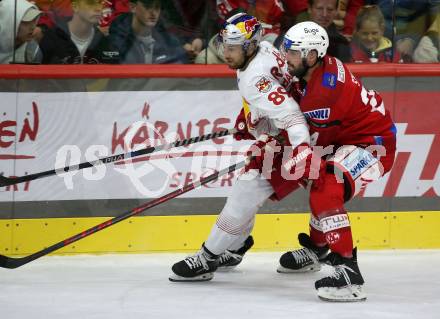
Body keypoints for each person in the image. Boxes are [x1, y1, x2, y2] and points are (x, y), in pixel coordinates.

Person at [170, 13, 319, 282]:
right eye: (224, 45)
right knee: (249, 186)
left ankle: (207, 258)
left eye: (232, 47)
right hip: (291, 130)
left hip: (298, 136)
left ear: (250, 46)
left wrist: (299, 150)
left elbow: (292, 115)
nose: (225, 52)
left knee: (246, 190)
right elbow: (281, 91)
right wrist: (252, 119)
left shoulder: (254, 78)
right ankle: (236, 247)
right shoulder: (264, 48)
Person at [277, 21, 396, 301]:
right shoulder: (319, 68)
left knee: (325, 185)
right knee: (319, 184)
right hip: (348, 137)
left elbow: (306, 134)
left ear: (311, 56)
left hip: (373, 145)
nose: (286, 58)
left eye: (292, 53)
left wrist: (273, 135)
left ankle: (347, 271)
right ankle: (318, 249)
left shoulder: (324, 93)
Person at [39, 0, 119, 64]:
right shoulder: (52, 38)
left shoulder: (105, 41)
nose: (98, 8)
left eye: (100, 3)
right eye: (90, 3)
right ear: (75, 7)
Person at [109, 0, 188, 64]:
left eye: (157, 7)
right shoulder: (117, 41)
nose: (153, 13)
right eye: (147, 6)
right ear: (132, 7)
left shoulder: (168, 40)